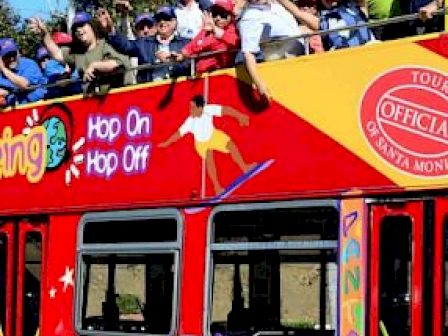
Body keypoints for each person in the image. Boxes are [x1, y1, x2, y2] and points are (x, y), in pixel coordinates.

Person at [159, 95, 256, 194]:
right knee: (209, 155)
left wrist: (240, 116)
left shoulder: (207, 110)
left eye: (193, 108)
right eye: (190, 107)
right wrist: (167, 143)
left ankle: (244, 167)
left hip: (213, 135)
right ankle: (217, 187)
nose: (190, 110)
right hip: (201, 144)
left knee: (230, 144)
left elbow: (225, 110)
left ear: (200, 108)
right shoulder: (190, 121)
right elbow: (178, 134)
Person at [29, 12, 131, 93]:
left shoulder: (106, 44)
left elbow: (119, 63)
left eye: (82, 25)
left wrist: (95, 66)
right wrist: (44, 34)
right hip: (93, 105)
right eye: (75, 28)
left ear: (92, 26)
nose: (79, 30)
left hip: (118, 98)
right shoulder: (77, 52)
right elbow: (57, 54)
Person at [237, 0, 306, 98]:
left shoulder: (277, 6)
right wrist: (259, 83)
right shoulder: (250, 17)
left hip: (301, 60)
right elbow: (249, 53)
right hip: (282, 66)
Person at [181, 0, 240, 73]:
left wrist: (214, 29)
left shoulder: (233, 30)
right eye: (215, 14)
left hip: (223, 74)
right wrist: (179, 55)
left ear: (231, 16)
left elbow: (234, 43)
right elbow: (189, 48)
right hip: (202, 76)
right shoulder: (206, 31)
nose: (218, 18)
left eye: (222, 14)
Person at [0, 38, 46, 107]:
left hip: (37, 107)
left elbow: (24, 84)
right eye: (7, 56)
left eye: (13, 54)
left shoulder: (29, 64)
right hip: (13, 111)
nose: (11, 59)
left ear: (18, 52)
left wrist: (4, 69)